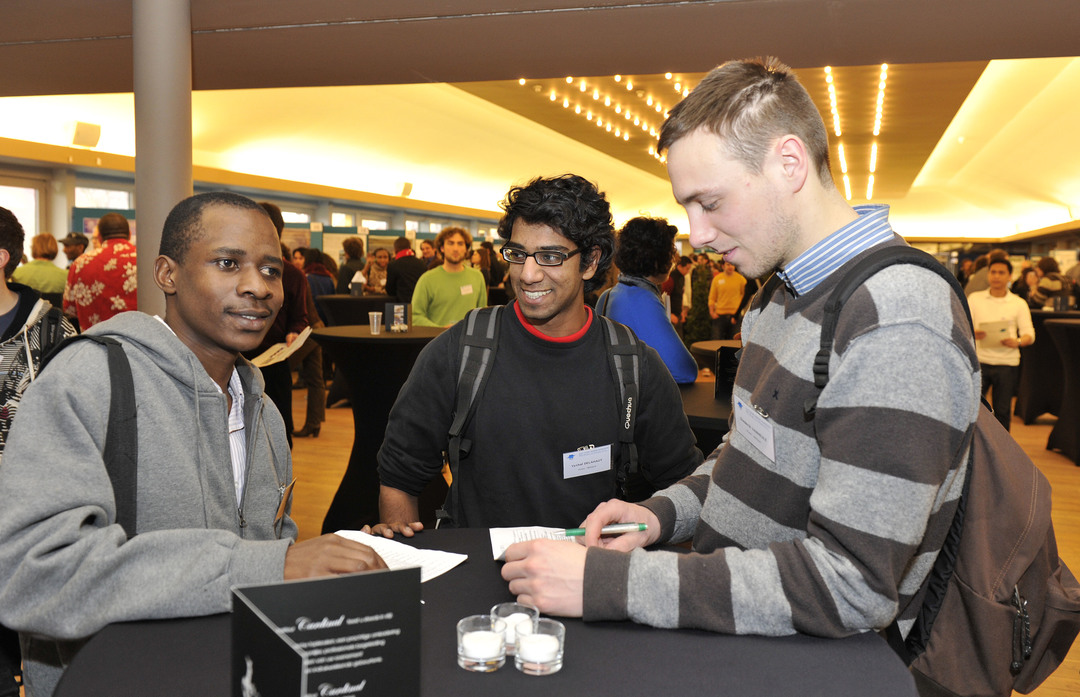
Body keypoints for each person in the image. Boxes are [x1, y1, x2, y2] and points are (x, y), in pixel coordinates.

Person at [500, 58, 980, 646]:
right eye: (687, 209)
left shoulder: (897, 316)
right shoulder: (776, 295)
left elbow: (852, 584)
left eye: (711, 203)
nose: (696, 234)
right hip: (738, 635)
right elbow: (746, 460)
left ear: (789, 163)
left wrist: (616, 582)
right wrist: (659, 514)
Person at [0, 192, 385, 697]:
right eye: (228, 263)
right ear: (167, 274)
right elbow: (31, 576)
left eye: (271, 270)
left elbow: (270, 549)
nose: (257, 287)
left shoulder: (263, 411)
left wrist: (330, 562)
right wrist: (268, 565)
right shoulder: (89, 381)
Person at [374, 174, 702, 532]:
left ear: (590, 262)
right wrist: (405, 561)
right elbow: (399, 475)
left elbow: (683, 486)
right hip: (480, 574)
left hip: (588, 575)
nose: (528, 274)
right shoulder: (462, 351)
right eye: (518, 254)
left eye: (550, 256)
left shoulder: (634, 367)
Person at [599, 217, 698, 384]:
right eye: (671, 250)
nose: (674, 258)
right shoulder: (642, 299)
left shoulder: (608, 295)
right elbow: (685, 371)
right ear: (657, 257)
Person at [244, 202, 309, 447]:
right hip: (239, 361)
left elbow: (300, 317)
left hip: (274, 363)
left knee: (279, 435)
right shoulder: (240, 271)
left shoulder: (292, 275)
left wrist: (294, 332)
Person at [969, 258, 1034, 431]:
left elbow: (1029, 334)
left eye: (1001, 273)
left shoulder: (1018, 303)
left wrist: (1017, 342)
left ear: (1009, 276)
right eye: (993, 272)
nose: (996, 276)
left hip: (1007, 363)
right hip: (980, 361)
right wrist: (973, 333)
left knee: (1003, 411)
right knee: (973, 411)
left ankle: (1002, 453)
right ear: (988, 274)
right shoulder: (975, 299)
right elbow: (963, 328)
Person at [63, 212, 137, 329]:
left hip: (95, 342)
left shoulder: (80, 263)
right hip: (140, 341)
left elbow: (69, 309)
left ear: (100, 237)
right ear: (129, 234)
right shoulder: (144, 259)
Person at [290, 248, 333, 438]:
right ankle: (314, 423)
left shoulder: (302, 277)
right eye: (295, 257)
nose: (298, 261)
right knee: (316, 379)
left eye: (301, 257)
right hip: (318, 328)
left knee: (281, 371)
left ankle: (290, 425)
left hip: (306, 332)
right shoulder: (327, 277)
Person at [410, 227, 487, 327]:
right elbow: (415, 316)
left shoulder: (477, 276)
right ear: (442, 248)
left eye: (460, 244)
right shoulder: (427, 279)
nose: (455, 249)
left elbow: (483, 313)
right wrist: (441, 330)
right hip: (437, 340)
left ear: (466, 249)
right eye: (450, 243)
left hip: (470, 340)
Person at [708, 259, 747, 339]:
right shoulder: (717, 279)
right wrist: (712, 312)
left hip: (735, 315)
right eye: (728, 264)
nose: (731, 267)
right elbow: (712, 297)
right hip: (719, 315)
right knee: (716, 341)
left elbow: (745, 297)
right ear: (723, 266)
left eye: (732, 265)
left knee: (734, 343)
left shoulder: (741, 279)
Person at [384, 236, 429, 303]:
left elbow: (390, 290)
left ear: (395, 249)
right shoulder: (422, 264)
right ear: (410, 247)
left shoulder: (393, 265)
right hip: (420, 303)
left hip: (401, 304)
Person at [662, 255, 693, 338]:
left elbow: (680, 295)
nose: (688, 271)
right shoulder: (670, 278)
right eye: (687, 268)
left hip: (678, 313)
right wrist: (670, 313)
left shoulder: (682, 277)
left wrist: (682, 312)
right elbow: (664, 297)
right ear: (679, 266)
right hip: (671, 315)